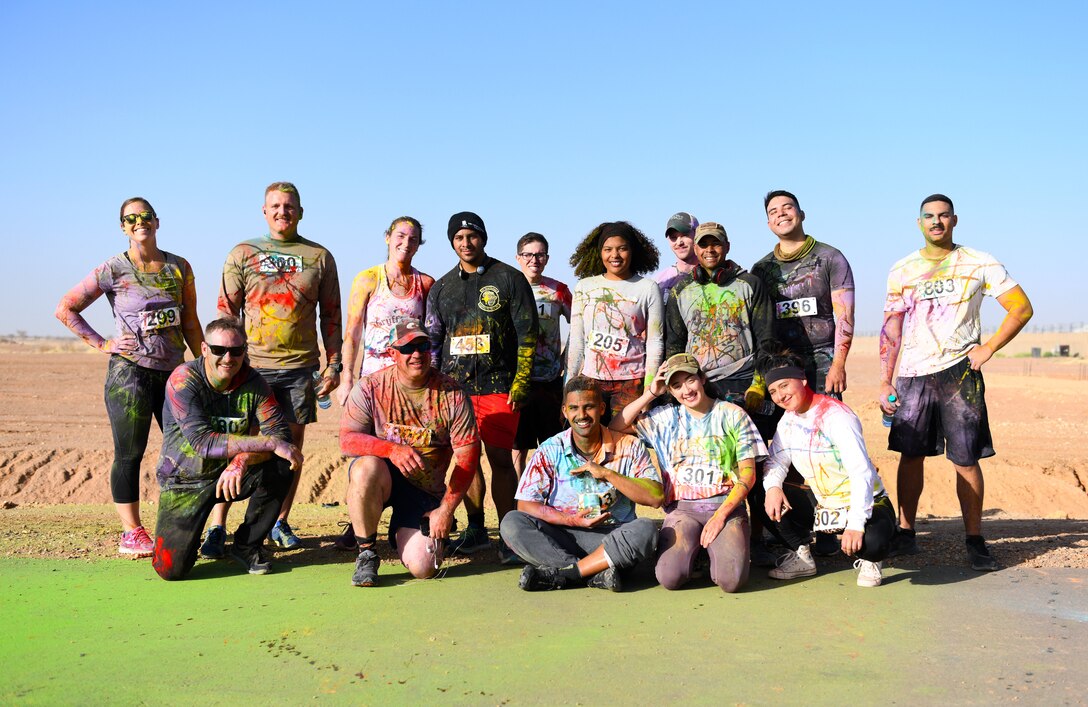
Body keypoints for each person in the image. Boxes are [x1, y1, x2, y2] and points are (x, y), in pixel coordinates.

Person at [879, 194, 1033, 571]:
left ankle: (975, 539)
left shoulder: (979, 261)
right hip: (913, 375)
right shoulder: (902, 268)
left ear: (955, 220)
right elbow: (892, 327)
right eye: (929, 217)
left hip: (959, 373)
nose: (936, 222)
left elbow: (1022, 307)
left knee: (965, 460)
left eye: (943, 216)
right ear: (919, 224)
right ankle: (906, 532)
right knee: (910, 454)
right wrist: (885, 379)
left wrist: (990, 347)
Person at [56, 197, 203, 557]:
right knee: (129, 454)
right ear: (123, 227)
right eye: (131, 219)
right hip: (130, 375)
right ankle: (131, 532)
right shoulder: (113, 269)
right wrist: (103, 343)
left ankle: (181, 526)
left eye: (146, 216)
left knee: (186, 450)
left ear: (157, 221)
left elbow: (190, 322)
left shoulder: (179, 267)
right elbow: (66, 308)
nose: (140, 223)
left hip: (174, 375)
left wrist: (204, 366)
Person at [206, 181, 342, 555]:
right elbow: (225, 312)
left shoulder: (319, 257)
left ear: (300, 211)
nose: (282, 211)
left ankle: (278, 521)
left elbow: (331, 316)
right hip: (250, 369)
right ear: (264, 212)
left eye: (289, 206)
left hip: (300, 368)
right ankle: (217, 526)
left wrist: (334, 365)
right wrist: (223, 363)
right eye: (275, 206)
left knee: (289, 449)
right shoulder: (243, 254)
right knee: (237, 445)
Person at [151, 317, 302, 580]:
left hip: (231, 474)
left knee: (283, 463)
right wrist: (268, 442)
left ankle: (247, 545)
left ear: (245, 350)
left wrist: (242, 459)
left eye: (236, 351)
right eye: (219, 350)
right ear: (204, 349)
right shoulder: (183, 380)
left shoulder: (255, 384)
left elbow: (281, 436)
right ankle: (192, 537)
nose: (228, 358)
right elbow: (204, 442)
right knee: (170, 570)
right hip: (185, 479)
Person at [425, 212, 538, 558]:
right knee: (465, 460)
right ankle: (476, 529)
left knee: (501, 460)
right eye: (458, 238)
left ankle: (509, 535)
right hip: (454, 391)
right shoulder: (442, 287)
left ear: (484, 238)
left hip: (499, 386)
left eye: (472, 237)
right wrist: (432, 390)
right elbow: (432, 341)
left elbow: (528, 335)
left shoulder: (509, 278)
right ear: (452, 243)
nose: (466, 243)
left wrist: (520, 384)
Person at [339, 319, 481, 586]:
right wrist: (391, 450)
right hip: (383, 480)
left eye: (423, 346)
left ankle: (414, 535)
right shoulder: (371, 388)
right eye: (407, 348)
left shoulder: (452, 394)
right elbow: (347, 440)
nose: (416, 354)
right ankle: (367, 552)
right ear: (392, 353)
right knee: (365, 468)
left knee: (423, 568)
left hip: (425, 492)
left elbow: (468, 457)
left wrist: (446, 510)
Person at [611, 353, 766, 592]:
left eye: (690, 380)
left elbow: (748, 475)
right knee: (669, 578)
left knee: (731, 581)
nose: (686, 390)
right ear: (670, 391)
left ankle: (715, 548)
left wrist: (720, 517)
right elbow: (616, 426)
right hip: (683, 509)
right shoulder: (664, 419)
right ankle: (698, 552)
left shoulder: (732, 414)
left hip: (725, 506)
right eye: (676, 385)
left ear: (702, 378)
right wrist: (651, 393)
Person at [500, 376, 664, 591]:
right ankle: (590, 574)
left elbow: (656, 498)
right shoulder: (550, 449)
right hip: (564, 535)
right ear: (565, 411)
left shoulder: (630, 446)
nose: (582, 415)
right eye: (574, 408)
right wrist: (572, 520)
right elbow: (525, 505)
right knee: (512, 522)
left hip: (611, 537)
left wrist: (607, 473)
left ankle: (566, 574)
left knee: (646, 529)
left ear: (602, 408)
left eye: (589, 407)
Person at [333, 216, 434, 551]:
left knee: (413, 447)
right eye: (401, 235)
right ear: (388, 237)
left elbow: (433, 334)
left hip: (411, 385)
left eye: (414, 238)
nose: (406, 242)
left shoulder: (426, 284)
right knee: (366, 452)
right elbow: (353, 331)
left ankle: (413, 511)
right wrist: (347, 376)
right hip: (373, 384)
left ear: (420, 244)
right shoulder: (368, 278)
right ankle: (361, 521)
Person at [758, 351, 894, 587]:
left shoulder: (837, 416)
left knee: (873, 544)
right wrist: (772, 488)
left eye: (784, 385)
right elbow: (776, 461)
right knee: (762, 494)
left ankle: (871, 559)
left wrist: (856, 523)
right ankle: (802, 556)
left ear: (802, 380)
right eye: (773, 391)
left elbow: (860, 471)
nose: (780, 395)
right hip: (823, 504)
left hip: (864, 502)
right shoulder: (788, 420)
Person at [752, 190, 855, 397]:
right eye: (773, 211)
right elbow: (759, 327)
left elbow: (845, 316)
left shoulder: (830, 258)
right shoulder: (761, 270)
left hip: (824, 362)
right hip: (781, 366)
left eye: (787, 207)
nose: (781, 213)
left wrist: (838, 365)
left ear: (802, 214)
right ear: (769, 223)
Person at [567, 221, 664, 425]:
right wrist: (568, 385)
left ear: (632, 251)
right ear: (599, 253)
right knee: (592, 442)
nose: (615, 256)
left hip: (632, 382)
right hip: (591, 381)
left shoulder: (647, 288)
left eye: (622, 249)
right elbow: (577, 340)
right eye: (608, 249)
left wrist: (648, 388)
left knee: (625, 442)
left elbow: (655, 341)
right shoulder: (585, 287)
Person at [511, 232, 572, 486]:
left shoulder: (558, 290)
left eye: (540, 254)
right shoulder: (509, 288)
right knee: (517, 446)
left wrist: (567, 361)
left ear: (546, 258)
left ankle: (550, 493)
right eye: (528, 254)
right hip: (517, 380)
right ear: (518, 258)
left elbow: (580, 326)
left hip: (549, 382)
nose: (534, 260)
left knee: (552, 444)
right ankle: (517, 500)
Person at [654, 212, 700, 303]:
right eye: (673, 237)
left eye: (684, 235)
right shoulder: (660, 281)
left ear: (697, 235)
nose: (679, 242)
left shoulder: (713, 276)